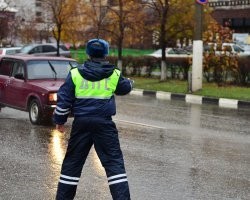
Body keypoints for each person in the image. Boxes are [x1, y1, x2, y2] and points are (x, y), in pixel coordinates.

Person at [53, 38, 133, 200]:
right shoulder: (114, 73)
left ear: (88, 53)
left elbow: (64, 99)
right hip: (104, 124)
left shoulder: (75, 73)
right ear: (106, 53)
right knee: (113, 164)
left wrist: (60, 120)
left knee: (72, 164)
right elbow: (124, 88)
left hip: (81, 123)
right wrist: (131, 83)